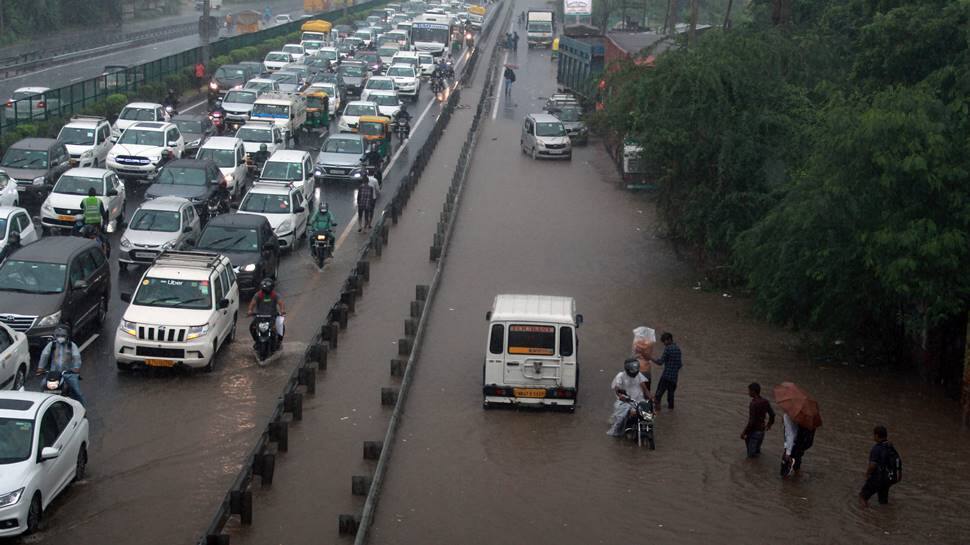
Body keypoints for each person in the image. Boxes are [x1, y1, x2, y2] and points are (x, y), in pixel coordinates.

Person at [36, 325, 85, 406]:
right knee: (43, 386)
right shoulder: (52, 345)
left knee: (77, 392)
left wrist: (76, 368)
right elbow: (44, 355)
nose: (60, 337)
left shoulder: (71, 345)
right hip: (54, 373)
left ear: (67, 336)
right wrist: (40, 367)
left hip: (69, 373)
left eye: (63, 336)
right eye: (58, 335)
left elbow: (76, 357)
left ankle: (82, 409)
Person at [608, 358, 654, 437]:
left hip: (639, 400)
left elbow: (644, 388)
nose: (634, 371)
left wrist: (651, 398)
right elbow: (617, 389)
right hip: (626, 401)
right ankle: (616, 431)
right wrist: (621, 396)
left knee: (648, 415)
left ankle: (648, 429)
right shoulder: (621, 376)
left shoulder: (638, 375)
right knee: (621, 417)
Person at [860, 425, 898, 507]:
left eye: (874, 435)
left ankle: (864, 516)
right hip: (888, 479)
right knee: (883, 502)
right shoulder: (890, 446)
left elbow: (872, 465)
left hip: (878, 478)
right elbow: (896, 461)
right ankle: (884, 517)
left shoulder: (876, 448)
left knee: (863, 496)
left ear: (877, 435)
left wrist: (867, 474)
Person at [741, 382, 775, 458]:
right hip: (761, 431)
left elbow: (751, 421)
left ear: (753, 391)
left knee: (750, 457)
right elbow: (772, 414)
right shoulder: (765, 401)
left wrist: (744, 432)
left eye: (749, 391)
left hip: (753, 432)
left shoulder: (753, 404)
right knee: (757, 452)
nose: (748, 393)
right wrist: (769, 424)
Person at [247, 277, 285, 342]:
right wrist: (250, 310)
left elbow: (280, 303)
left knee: (281, 326)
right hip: (259, 316)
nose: (265, 292)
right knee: (252, 327)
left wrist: (282, 310)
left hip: (272, 316)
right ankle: (256, 341)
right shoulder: (258, 295)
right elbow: (252, 303)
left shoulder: (275, 295)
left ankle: (279, 341)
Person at [651, 332, 682, 410]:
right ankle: (671, 413)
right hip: (674, 378)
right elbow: (680, 365)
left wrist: (650, 358)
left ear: (669, 340)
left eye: (664, 341)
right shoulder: (678, 349)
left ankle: (657, 413)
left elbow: (660, 362)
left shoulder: (668, 349)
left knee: (658, 395)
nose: (664, 344)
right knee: (670, 396)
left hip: (666, 376)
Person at [781, 412, 815, 478]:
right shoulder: (805, 417)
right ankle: (796, 474)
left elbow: (790, 435)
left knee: (784, 470)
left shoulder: (788, 416)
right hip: (801, 444)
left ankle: (786, 480)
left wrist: (788, 452)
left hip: (792, 445)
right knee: (797, 459)